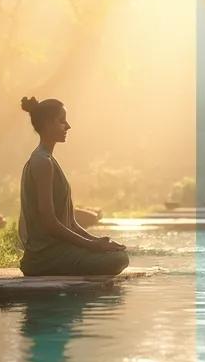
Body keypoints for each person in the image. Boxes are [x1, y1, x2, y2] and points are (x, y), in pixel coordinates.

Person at [16, 97, 129, 276]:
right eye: (62, 121)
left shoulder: (48, 160)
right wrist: (92, 245)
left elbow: (71, 224)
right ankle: (43, 267)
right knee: (118, 259)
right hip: (44, 257)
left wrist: (99, 241)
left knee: (117, 254)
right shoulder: (42, 162)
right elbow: (49, 222)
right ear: (47, 124)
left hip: (59, 251)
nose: (67, 126)